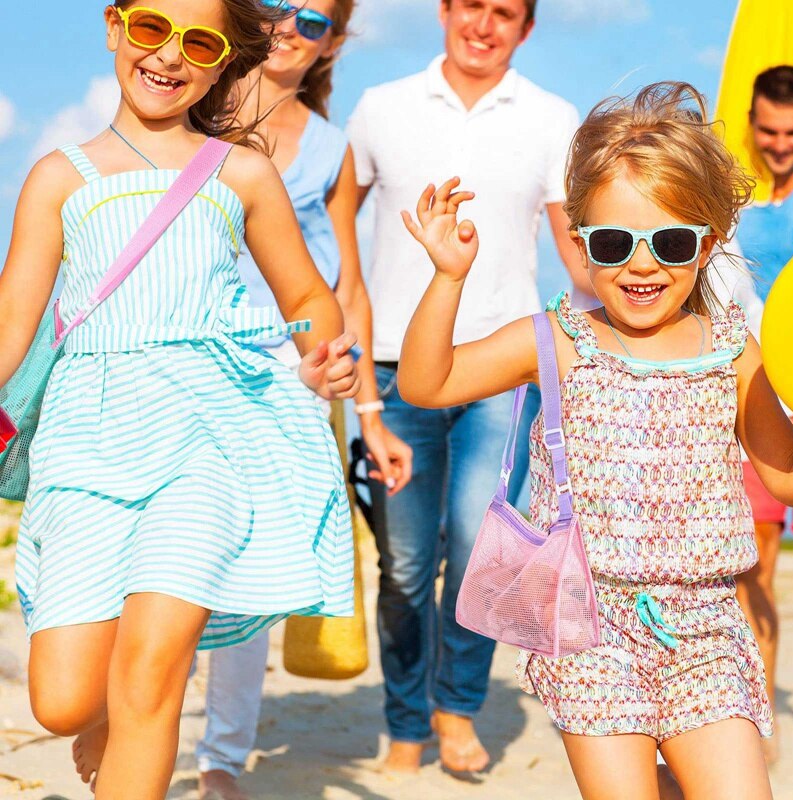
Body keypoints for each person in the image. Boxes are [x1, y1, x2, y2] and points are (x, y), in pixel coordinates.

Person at [398, 81, 793, 799]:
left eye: (670, 242)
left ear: (707, 243)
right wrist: (447, 278)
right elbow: (429, 385)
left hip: (706, 632)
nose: (641, 266)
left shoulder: (734, 351)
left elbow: (787, 475)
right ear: (579, 239)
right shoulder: (557, 340)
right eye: (614, 243)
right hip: (590, 633)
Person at [1, 1, 361, 796]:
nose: (168, 55)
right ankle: (102, 715)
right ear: (113, 26)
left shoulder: (240, 171)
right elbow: (10, 330)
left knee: (150, 680)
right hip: (85, 440)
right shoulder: (60, 175)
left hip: (211, 437)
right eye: (149, 29)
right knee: (63, 701)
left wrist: (322, 354)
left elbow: (307, 293)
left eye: (197, 41)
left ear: (223, 56)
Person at [346, 0, 590, 773]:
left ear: (526, 28)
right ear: (446, 11)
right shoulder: (380, 107)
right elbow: (332, 225)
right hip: (391, 367)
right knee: (408, 563)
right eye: (472, 7)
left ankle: (456, 710)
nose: (484, 25)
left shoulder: (554, 119)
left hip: (500, 373)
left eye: (505, 13)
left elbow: (575, 248)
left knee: (480, 550)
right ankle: (406, 721)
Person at [195, 3, 412, 798]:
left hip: (289, 375)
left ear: (334, 39)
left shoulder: (330, 149)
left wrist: (373, 416)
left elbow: (346, 283)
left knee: (247, 568)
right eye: (276, 6)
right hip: (185, 359)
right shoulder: (191, 106)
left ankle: (221, 757)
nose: (290, 25)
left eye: (313, 19)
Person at [735, 65, 793, 764]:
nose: (781, 145)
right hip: (744, 397)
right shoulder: (733, 201)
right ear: (752, 123)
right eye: (771, 131)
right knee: (745, 568)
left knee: (758, 567)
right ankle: (755, 714)